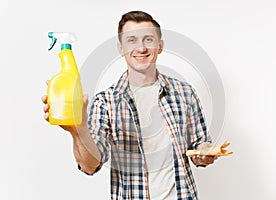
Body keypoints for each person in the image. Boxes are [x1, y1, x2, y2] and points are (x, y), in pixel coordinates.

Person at [42, 10, 217, 200]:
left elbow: (200, 143)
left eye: (148, 39)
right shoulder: (106, 102)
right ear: (121, 48)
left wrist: (205, 152)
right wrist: (79, 130)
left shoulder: (185, 92)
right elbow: (90, 166)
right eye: (132, 40)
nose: (141, 48)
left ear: (160, 46)